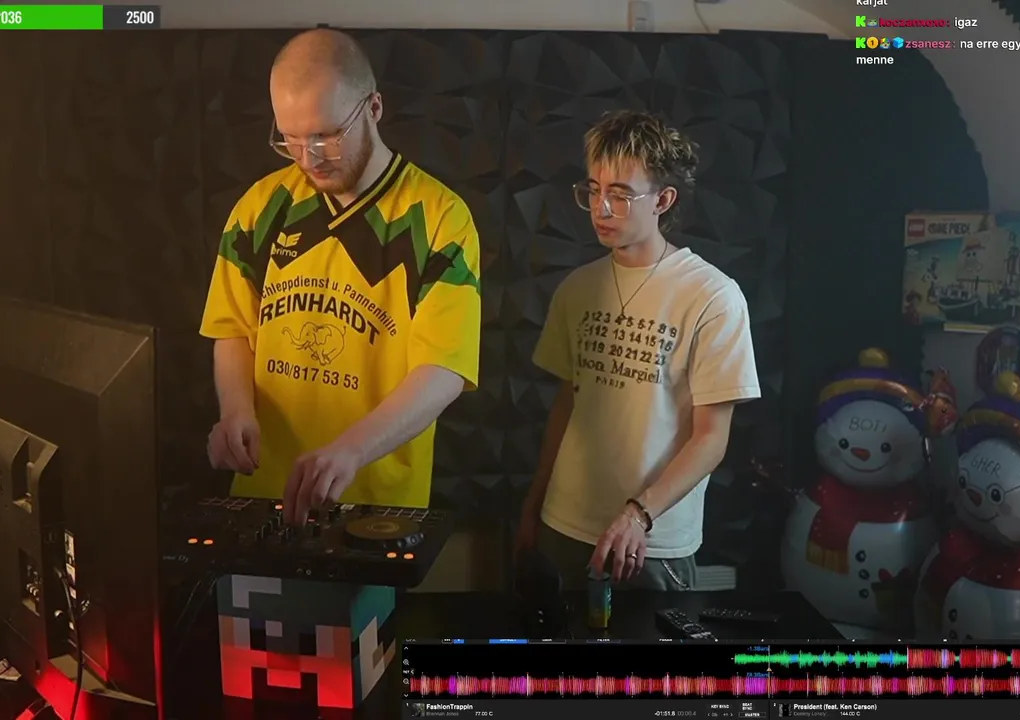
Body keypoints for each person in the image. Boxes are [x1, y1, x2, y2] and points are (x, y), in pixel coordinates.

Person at [200, 29, 481, 523]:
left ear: (374, 108)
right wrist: (236, 409)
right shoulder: (260, 207)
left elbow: (444, 371)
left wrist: (351, 450)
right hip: (264, 494)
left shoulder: (440, 219)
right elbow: (233, 328)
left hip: (377, 507)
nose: (308, 158)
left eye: (325, 136)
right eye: (290, 139)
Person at [516, 110, 761, 590]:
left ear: (663, 200)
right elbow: (567, 405)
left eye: (621, 195)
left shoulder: (713, 296)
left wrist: (639, 513)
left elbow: (712, 439)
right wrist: (533, 504)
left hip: (650, 543)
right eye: (593, 190)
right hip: (562, 525)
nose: (601, 209)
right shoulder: (576, 288)